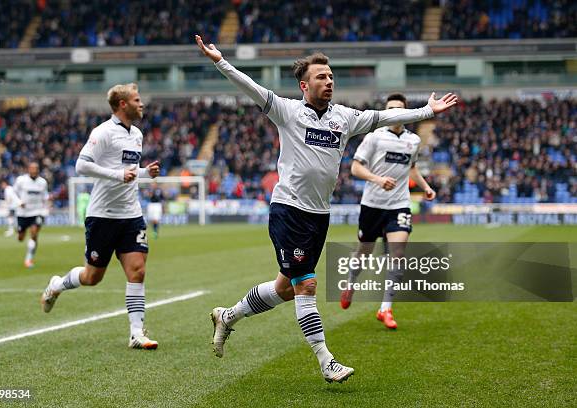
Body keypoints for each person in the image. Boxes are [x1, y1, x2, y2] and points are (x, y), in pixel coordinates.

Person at [195, 34, 457, 383]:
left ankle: (227, 316)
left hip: (319, 216)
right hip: (288, 210)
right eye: (322, 77)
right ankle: (326, 361)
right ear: (305, 84)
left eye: (331, 76)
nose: (329, 81)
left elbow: (382, 117)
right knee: (307, 286)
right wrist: (220, 61)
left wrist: (427, 110)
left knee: (285, 288)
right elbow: (251, 87)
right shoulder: (287, 111)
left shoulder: (344, 118)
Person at [40, 83, 161, 350]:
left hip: (131, 214)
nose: (142, 104)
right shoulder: (103, 132)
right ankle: (58, 285)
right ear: (122, 104)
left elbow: (127, 169)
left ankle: (137, 333)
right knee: (93, 277)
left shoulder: (137, 134)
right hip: (103, 216)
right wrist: (118, 175)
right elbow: (82, 165)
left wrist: (144, 173)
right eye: (137, 100)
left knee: (137, 271)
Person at [340, 93, 437, 330]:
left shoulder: (413, 140)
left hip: (399, 204)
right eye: (390, 108)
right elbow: (355, 168)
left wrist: (425, 187)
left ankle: (385, 309)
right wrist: (377, 179)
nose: (394, 112)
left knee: (397, 254)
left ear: (406, 113)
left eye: (399, 109)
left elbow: (411, 167)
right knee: (363, 253)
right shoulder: (374, 137)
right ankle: (351, 282)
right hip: (372, 204)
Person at [13, 163, 49, 268]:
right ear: (28, 169)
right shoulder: (21, 180)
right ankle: (20, 232)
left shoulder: (42, 182)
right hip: (23, 213)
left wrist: (47, 203)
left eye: (36, 168)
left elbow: (45, 196)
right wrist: (19, 202)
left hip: (37, 212)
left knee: (34, 233)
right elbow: (13, 192)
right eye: (32, 168)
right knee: (21, 238)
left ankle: (29, 259)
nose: (34, 170)